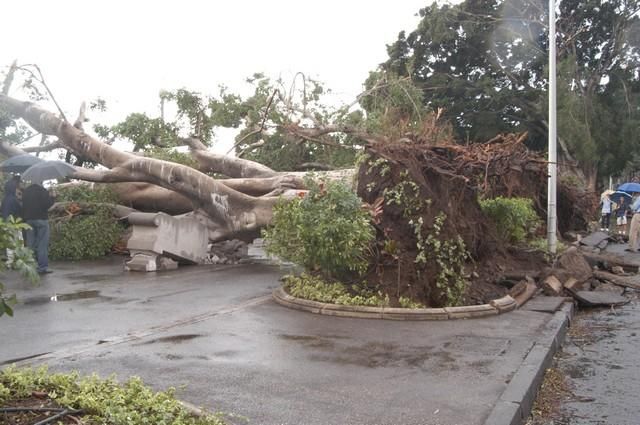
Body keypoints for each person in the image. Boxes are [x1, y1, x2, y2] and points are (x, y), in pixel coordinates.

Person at [22, 182, 55, 274]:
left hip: (28, 220)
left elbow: (23, 205)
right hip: (41, 220)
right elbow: (47, 205)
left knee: (30, 244)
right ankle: (42, 267)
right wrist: (52, 197)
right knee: (42, 244)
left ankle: (29, 266)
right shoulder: (42, 190)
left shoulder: (26, 191)